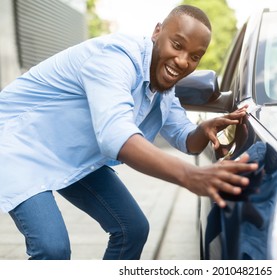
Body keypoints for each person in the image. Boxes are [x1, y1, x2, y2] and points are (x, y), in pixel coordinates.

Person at [0, 5, 257, 260]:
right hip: (21, 143)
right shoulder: (116, 58)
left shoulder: (164, 87)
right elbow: (116, 135)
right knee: (52, 249)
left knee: (132, 229)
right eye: (177, 45)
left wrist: (204, 129)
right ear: (157, 32)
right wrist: (189, 175)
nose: (182, 61)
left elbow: (185, 138)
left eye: (194, 56)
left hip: (68, 150)